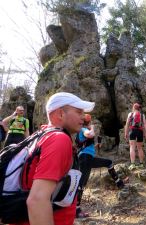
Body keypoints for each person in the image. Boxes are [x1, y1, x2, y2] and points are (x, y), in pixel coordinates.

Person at [12, 92, 95, 225]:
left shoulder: (42, 134)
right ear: (60, 114)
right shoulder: (59, 139)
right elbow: (37, 200)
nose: (83, 117)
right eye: (79, 112)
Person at [76, 113, 126, 218]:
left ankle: (119, 183)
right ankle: (76, 209)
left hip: (88, 157)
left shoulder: (83, 130)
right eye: (90, 122)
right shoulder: (83, 129)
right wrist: (92, 128)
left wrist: (97, 145)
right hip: (85, 158)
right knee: (82, 183)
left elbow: (86, 144)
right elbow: (90, 134)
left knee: (108, 162)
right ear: (88, 122)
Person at [124, 102, 146, 170]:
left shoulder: (130, 114)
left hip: (132, 131)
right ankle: (141, 164)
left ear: (133, 107)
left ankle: (132, 164)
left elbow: (127, 124)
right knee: (140, 148)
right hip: (140, 132)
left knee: (132, 147)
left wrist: (126, 133)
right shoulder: (142, 115)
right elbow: (144, 125)